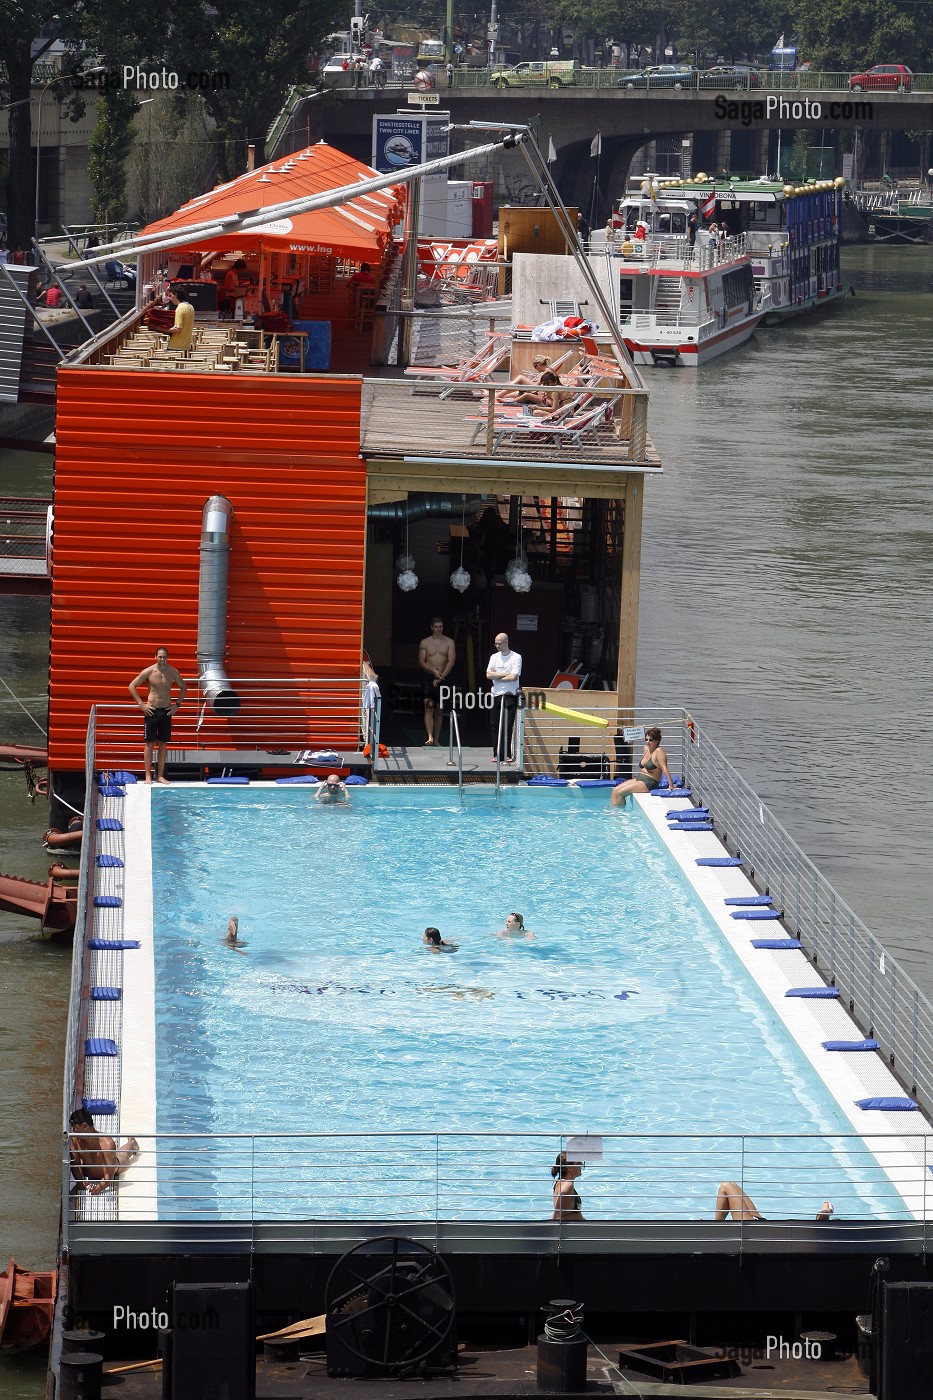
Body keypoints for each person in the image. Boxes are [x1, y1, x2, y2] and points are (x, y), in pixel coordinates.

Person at [128, 646, 187, 783]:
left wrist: (177, 705)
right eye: (160, 656)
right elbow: (132, 686)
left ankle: (160, 775)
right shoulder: (148, 671)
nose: (162, 659)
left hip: (166, 711)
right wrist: (141, 705)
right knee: (149, 744)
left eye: (164, 657)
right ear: (155, 657)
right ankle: (148, 775)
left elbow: (183, 687)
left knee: (163, 744)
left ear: (168, 657)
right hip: (152, 710)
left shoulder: (173, 672)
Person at [69, 1108, 140, 1194]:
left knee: (123, 1155)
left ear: (85, 1126)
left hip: (113, 1168)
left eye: (75, 1128)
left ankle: (132, 1143)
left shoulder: (107, 1143)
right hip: (88, 1171)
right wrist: (80, 1181)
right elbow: (75, 1163)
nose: (73, 1131)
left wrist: (99, 1188)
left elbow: (109, 1174)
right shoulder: (75, 1139)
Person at [610, 726, 674, 806]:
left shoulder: (659, 751)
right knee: (615, 790)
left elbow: (664, 768)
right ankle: (612, 811)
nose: (648, 742)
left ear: (657, 741)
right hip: (640, 779)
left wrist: (671, 785)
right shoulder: (646, 749)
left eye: (651, 740)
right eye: (646, 739)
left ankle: (620, 812)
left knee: (620, 793)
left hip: (649, 782)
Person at [714, 1181, 833, 1222]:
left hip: (754, 1228)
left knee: (726, 1186)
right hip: (759, 1222)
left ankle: (715, 1229)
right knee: (729, 1185)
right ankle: (716, 1228)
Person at [419, 617, 456, 746]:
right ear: (432, 628)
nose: (438, 629)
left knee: (440, 710)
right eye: (436, 627)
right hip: (428, 676)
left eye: (440, 627)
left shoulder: (449, 642)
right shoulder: (425, 642)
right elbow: (422, 662)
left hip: (444, 677)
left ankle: (437, 738)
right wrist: (433, 671)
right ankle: (430, 737)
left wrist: (441, 677)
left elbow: (451, 661)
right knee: (428, 707)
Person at [486, 632, 522, 762]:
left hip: (510, 694)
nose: (497, 646)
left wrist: (497, 675)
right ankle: (497, 753)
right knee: (495, 725)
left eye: (499, 643)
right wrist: (506, 673)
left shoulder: (516, 657)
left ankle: (507, 754)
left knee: (507, 725)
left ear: (506, 642)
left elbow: (514, 677)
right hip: (496, 694)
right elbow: (488, 675)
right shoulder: (494, 657)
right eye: (495, 644)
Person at [551, 1152, 585, 1221]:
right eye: (578, 1163)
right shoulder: (567, 1185)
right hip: (572, 1227)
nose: (581, 1165)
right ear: (569, 1167)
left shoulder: (560, 1182)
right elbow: (557, 1216)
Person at [160, 287, 195, 352]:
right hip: (186, 347)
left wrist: (160, 329)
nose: (170, 298)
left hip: (176, 347)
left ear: (176, 295)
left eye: (171, 295)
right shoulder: (191, 307)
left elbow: (177, 329)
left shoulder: (180, 309)